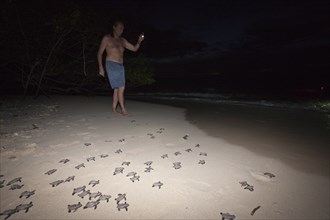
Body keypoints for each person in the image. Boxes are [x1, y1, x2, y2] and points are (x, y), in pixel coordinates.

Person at [97, 21, 144, 115]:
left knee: (117, 89)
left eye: (122, 29)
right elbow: (99, 53)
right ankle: (123, 109)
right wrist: (101, 68)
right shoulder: (107, 38)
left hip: (120, 66)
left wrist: (139, 41)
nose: (121, 30)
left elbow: (134, 49)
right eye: (119, 28)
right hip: (111, 64)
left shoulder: (123, 40)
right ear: (114, 27)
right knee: (121, 87)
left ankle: (114, 109)